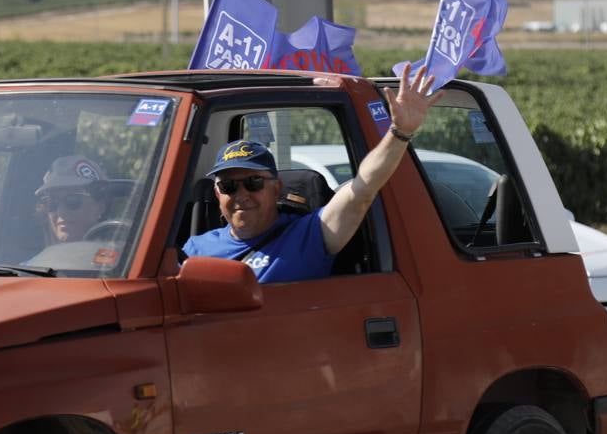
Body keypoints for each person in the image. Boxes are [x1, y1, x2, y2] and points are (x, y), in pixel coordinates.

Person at [183, 64, 444, 282]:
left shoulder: (308, 236)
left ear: (276, 187)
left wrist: (400, 132)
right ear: (217, 193)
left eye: (253, 182)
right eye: (229, 186)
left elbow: (362, 190)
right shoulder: (195, 249)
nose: (241, 194)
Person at [35, 155, 112, 242]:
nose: (61, 212)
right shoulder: (42, 255)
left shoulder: (123, 252)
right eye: (52, 203)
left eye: (72, 200)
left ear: (100, 207)